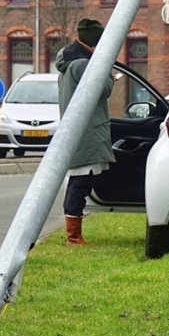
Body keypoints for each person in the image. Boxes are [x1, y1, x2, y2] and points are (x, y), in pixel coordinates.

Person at [55, 18, 120, 246]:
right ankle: (73, 237)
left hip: (77, 129)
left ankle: (73, 234)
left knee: (78, 182)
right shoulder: (83, 64)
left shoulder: (70, 63)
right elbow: (99, 91)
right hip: (87, 131)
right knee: (80, 184)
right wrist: (110, 78)